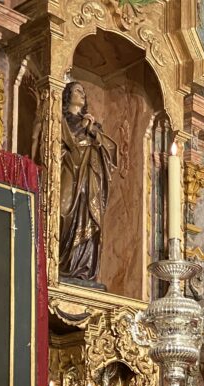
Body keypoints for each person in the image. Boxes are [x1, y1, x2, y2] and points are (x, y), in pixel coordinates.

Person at [59, 80, 118, 285]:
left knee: (90, 217)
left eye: (84, 92)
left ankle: (83, 270)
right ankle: (61, 264)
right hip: (68, 171)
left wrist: (93, 131)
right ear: (67, 95)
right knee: (63, 211)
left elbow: (110, 152)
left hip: (90, 177)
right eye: (77, 91)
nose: (82, 94)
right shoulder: (61, 119)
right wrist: (82, 126)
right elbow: (60, 143)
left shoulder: (93, 125)